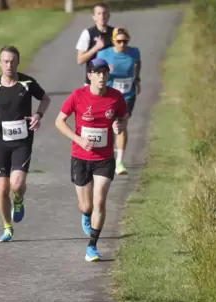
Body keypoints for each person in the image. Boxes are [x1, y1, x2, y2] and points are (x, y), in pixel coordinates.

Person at [55, 58, 128, 262]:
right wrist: (79, 139)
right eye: (97, 73)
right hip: (81, 157)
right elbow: (59, 121)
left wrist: (118, 126)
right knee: (86, 206)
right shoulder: (78, 96)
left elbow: (123, 117)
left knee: (100, 200)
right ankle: (86, 215)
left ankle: (92, 246)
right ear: (90, 76)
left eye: (105, 73)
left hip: (104, 158)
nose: (102, 77)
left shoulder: (116, 98)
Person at [0, 46, 51, 242]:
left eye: (12, 61)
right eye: (5, 61)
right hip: (0, 142)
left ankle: (18, 199)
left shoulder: (27, 83)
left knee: (16, 184)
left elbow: (45, 98)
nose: (9, 65)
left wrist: (38, 115)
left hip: (22, 141)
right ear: (0, 63)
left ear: (18, 63)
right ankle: (7, 226)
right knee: (2, 189)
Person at [96, 27, 141, 175]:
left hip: (127, 95)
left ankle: (119, 161)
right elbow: (95, 71)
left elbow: (137, 63)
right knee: (108, 124)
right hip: (109, 95)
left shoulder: (134, 52)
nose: (122, 44)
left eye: (125, 41)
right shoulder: (104, 54)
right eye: (119, 41)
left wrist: (137, 79)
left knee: (121, 124)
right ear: (113, 41)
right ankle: (104, 156)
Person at [75, 2, 114, 86]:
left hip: (111, 82)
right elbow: (80, 60)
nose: (102, 16)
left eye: (104, 13)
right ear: (94, 17)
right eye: (99, 14)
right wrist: (96, 48)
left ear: (109, 15)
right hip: (92, 82)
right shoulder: (88, 33)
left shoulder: (115, 33)